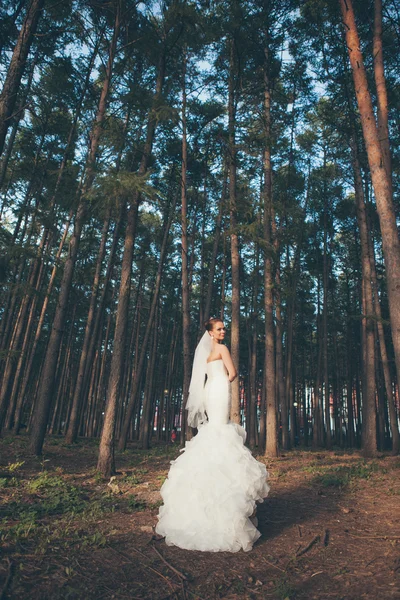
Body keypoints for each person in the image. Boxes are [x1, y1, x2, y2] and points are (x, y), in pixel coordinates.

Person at [155, 317, 269, 552]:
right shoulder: (222, 348)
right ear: (211, 332)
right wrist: (223, 383)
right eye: (219, 329)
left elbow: (203, 377)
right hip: (219, 389)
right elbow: (233, 372)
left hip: (209, 391)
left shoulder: (204, 353)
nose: (223, 331)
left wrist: (216, 383)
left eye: (224, 328)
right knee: (220, 430)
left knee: (213, 431)